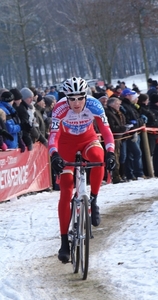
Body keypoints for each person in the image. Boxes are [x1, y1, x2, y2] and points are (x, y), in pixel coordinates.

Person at [48, 77, 115, 263]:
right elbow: (53, 137)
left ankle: (93, 200)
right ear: (66, 98)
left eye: (80, 98)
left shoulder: (94, 105)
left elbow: (107, 133)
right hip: (66, 144)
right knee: (66, 189)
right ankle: (64, 243)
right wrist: (54, 155)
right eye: (72, 98)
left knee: (98, 157)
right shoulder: (60, 108)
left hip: (88, 139)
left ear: (86, 96)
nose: (76, 103)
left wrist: (111, 152)